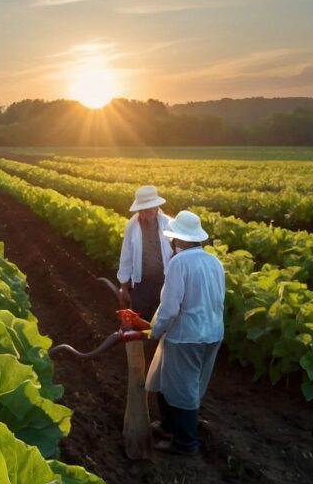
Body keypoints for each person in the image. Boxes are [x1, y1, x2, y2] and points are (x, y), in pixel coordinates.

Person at [145, 210, 225, 456]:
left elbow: (170, 308)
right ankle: (169, 425)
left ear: (179, 239)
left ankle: (185, 442)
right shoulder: (214, 262)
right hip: (213, 332)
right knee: (169, 379)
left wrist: (154, 332)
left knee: (184, 388)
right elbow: (219, 299)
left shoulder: (179, 263)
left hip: (187, 335)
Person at [116, 185, 173, 321]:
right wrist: (124, 286)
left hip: (165, 282)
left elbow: (177, 254)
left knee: (164, 322)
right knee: (141, 322)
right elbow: (126, 256)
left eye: (148, 209)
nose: (143, 213)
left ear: (156, 207)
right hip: (142, 284)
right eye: (141, 210)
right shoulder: (132, 225)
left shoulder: (169, 224)